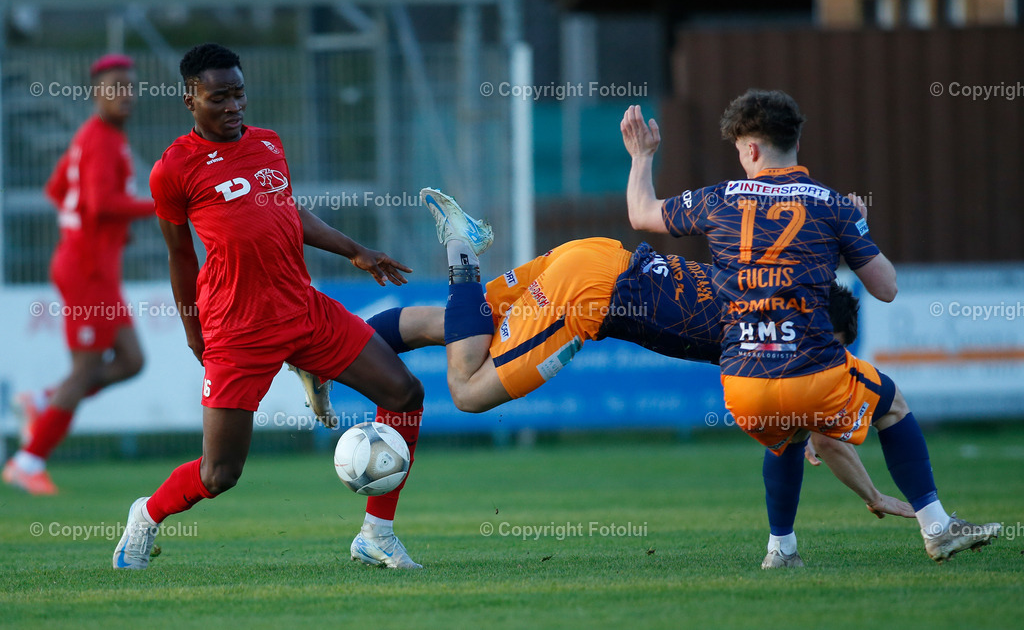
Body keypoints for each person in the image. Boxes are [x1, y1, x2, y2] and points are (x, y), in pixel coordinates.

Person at [375, 190, 912, 551]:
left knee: (452, 325)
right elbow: (822, 426)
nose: (822, 355)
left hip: (597, 257)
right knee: (468, 390)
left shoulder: (765, 296)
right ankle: (462, 251)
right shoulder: (789, 338)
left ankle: (341, 351)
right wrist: (872, 495)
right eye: (830, 344)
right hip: (592, 295)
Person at [621, 93, 1001, 565]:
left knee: (786, 434)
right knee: (893, 406)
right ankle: (938, 527)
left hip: (743, 386)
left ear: (752, 150)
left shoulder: (718, 198)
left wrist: (642, 157)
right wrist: (855, 233)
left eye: (740, 149)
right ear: (796, 141)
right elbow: (886, 288)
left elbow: (641, 213)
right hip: (813, 375)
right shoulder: (833, 206)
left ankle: (780, 549)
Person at [112, 43, 424, 571]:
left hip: (302, 309)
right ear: (191, 99)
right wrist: (194, 332)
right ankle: (146, 515)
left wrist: (356, 251)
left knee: (405, 390)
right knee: (220, 474)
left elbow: (290, 213)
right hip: (236, 328)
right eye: (220, 98)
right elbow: (180, 256)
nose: (234, 106)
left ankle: (377, 533)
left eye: (239, 93)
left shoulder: (268, 144)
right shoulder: (173, 170)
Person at [4, 54, 155, 496]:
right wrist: (161, 205)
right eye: (115, 87)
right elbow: (100, 204)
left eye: (130, 86)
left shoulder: (98, 136)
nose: (125, 95)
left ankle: (43, 402)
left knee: (131, 361)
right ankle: (27, 461)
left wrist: (97, 230)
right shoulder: (102, 139)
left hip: (93, 266)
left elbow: (58, 190)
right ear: (96, 94)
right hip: (87, 270)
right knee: (86, 369)